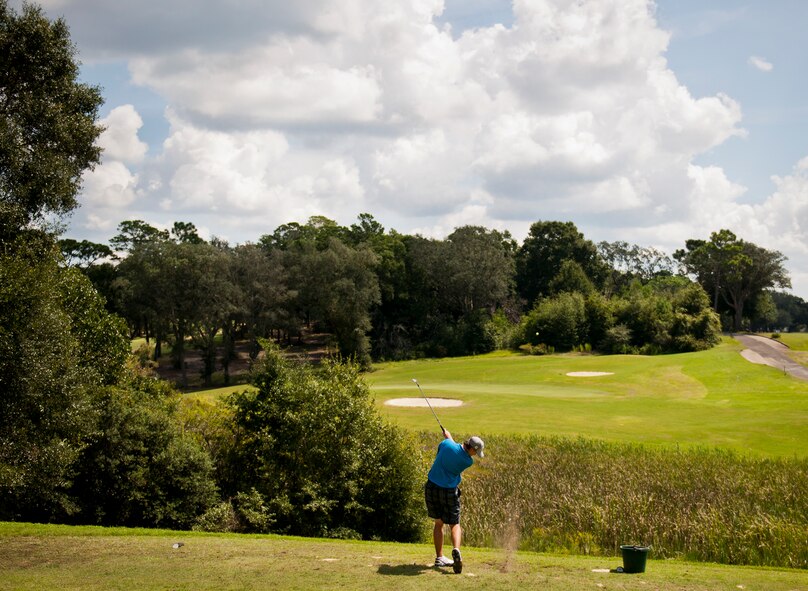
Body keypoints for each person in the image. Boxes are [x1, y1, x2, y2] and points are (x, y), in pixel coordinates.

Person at [424, 428, 484, 574]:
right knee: (454, 524)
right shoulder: (467, 461)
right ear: (471, 449)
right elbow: (454, 448)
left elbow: (446, 447)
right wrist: (449, 438)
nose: (475, 456)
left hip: (431, 487)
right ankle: (456, 550)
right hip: (449, 491)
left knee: (438, 523)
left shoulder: (446, 444)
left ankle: (439, 558)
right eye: (475, 452)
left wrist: (448, 437)